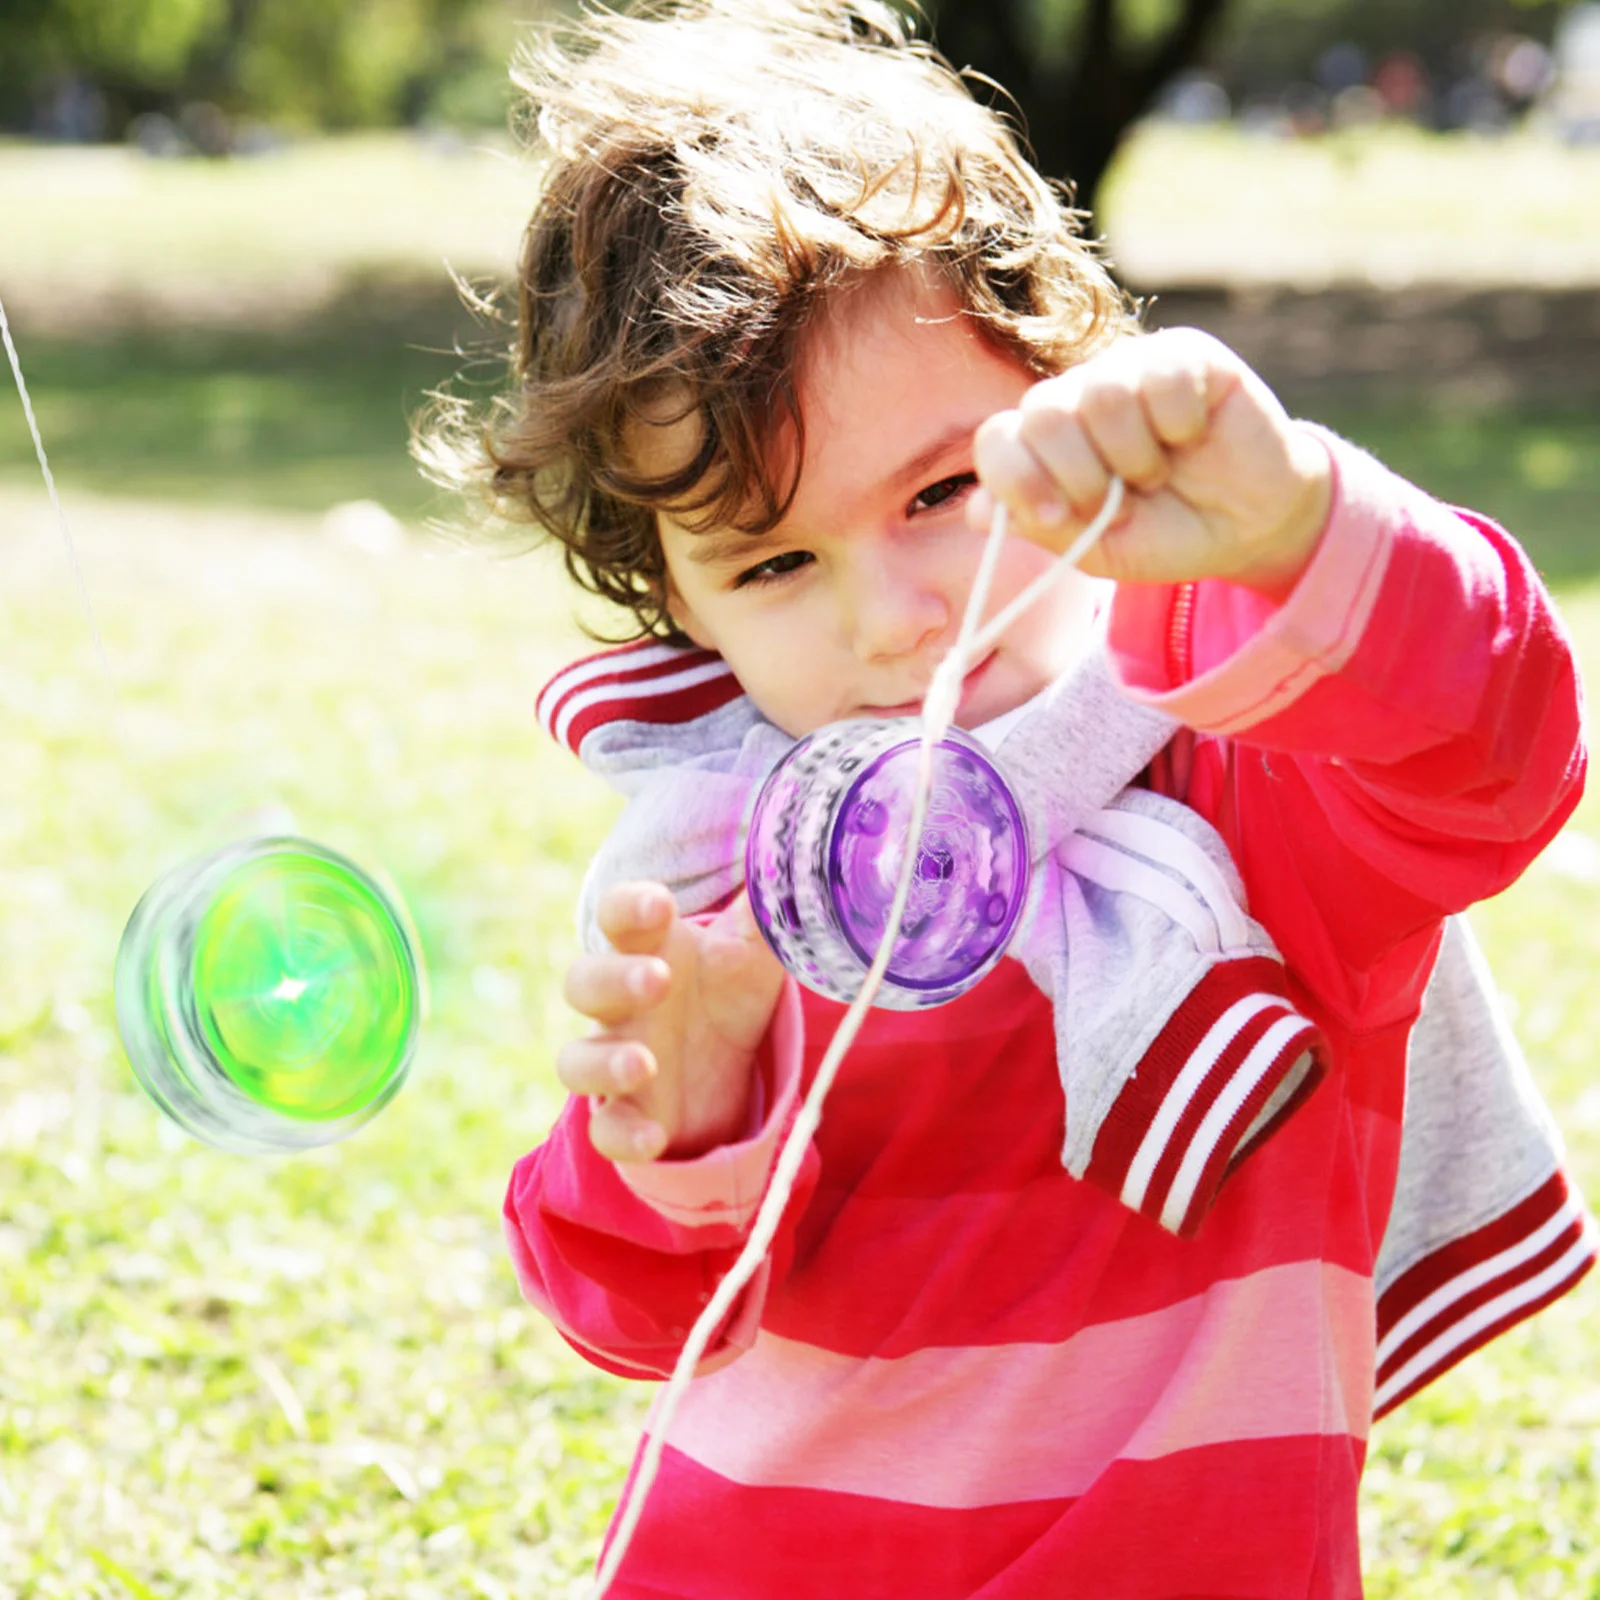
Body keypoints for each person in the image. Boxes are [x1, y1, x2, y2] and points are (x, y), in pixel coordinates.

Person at [419, 2, 1593, 1593]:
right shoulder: (731, 874)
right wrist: (679, 1122)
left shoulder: (1259, 768)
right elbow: (620, 1313)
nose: (892, 617)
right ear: (683, 607)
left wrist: (1302, 531)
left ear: (1072, 390)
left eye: (943, 491)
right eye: (775, 563)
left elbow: (1498, 754)